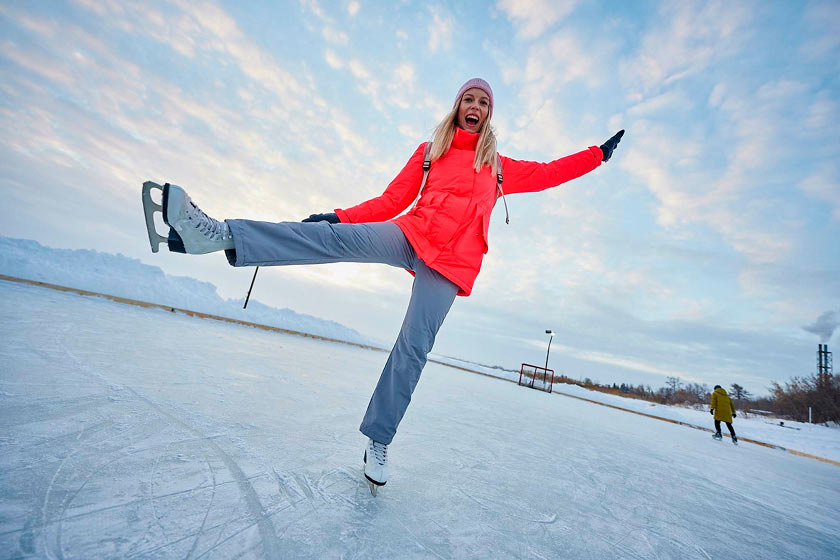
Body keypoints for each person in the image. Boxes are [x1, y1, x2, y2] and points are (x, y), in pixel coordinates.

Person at [144, 78, 624, 493]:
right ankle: (218, 235)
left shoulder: (498, 166)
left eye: (483, 102)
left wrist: (596, 155)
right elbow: (392, 200)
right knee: (332, 238)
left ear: (489, 113)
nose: (475, 107)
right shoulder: (430, 152)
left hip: (452, 265)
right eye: (469, 99)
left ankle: (379, 440)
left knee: (413, 348)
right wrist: (341, 216)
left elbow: (550, 173)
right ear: (458, 106)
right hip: (412, 233)